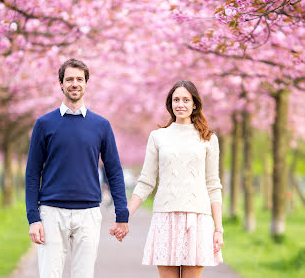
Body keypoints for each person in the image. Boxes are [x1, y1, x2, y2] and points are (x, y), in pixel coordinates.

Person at [25, 58, 129, 278]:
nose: (75, 83)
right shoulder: (44, 124)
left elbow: (114, 171)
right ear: (60, 84)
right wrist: (33, 218)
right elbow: (33, 173)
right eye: (69, 79)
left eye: (79, 79)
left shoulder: (101, 125)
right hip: (52, 213)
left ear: (86, 83)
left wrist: (122, 213)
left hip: (88, 213)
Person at [112, 80, 223, 278]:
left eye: (186, 100)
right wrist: (125, 216)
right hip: (165, 218)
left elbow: (213, 185)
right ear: (170, 104)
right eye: (176, 100)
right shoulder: (158, 136)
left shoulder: (208, 138)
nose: (180, 104)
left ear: (195, 104)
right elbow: (146, 181)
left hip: (197, 219)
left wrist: (219, 229)